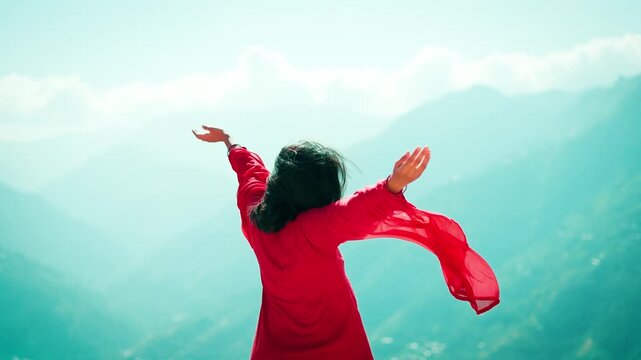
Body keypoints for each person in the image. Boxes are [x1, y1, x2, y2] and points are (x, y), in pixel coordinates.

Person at [193, 125, 500, 360]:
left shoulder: (256, 216)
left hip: (276, 350)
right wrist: (394, 184)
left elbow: (249, 171)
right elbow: (358, 210)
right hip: (339, 349)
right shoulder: (316, 228)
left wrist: (230, 142)